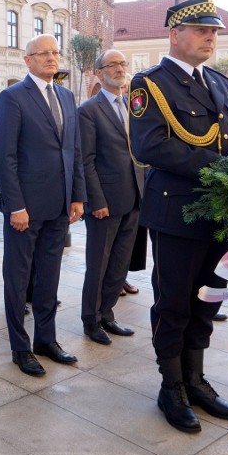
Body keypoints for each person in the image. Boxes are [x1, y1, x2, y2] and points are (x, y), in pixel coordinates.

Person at [128, 0, 228, 434]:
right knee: (173, 302)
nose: (210, 38)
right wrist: (226, 170)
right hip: (177, 213)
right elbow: (149, 146)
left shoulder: (220, 83)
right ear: (175, 33)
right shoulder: (150, 84)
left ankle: (196, 380)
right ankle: (172, 387)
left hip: (220, 215)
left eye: (214, 31)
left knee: (207, 299)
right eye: (202, 30)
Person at [0, 34, 86, 378]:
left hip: (59, 205)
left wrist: (77, 195)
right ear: (27, 59)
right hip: (25, 210)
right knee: (18, 280)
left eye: (55, 52)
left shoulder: (65, 95)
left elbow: (73, 150)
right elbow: (5, 156)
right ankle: (20, 346)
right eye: (42, 53)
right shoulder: (12, 98)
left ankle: (47, 339)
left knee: (49, 277)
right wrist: (15, 205)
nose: (50, 58)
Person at [78, 50, 143, 345]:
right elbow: (86, 160)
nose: (119, 68)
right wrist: (96, 201)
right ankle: (91, 321)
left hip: (134, 198)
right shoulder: (89, 111)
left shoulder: (134, 106)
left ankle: (108, 314)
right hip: (105, 202)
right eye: (113, 64)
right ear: (99, 72)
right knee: (99, 264)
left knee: (119, 263)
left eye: (123, 63)